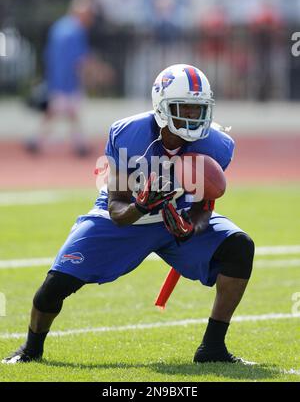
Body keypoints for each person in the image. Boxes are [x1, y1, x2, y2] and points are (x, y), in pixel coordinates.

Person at [3, 64, 255, 365]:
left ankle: (212, 348)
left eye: (198, 110)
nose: (193, 117)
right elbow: (116, 208)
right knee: (53, 288)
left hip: (175, 218)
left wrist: (192, 228)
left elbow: (203, 208)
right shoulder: (129, 135)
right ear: (161, 107)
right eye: (184, 109)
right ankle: (31, 350)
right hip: (127, 219)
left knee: (240, 246)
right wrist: (142, 206)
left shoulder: (216, 144)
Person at [27, 0, 94, 156]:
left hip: (57, 78)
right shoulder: (76, 30)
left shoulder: (59, 27)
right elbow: (79, 59)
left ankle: (77, 144)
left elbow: (49, 54)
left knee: (64, 112)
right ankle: (39, 141)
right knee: (59, 112)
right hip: (66, 81)